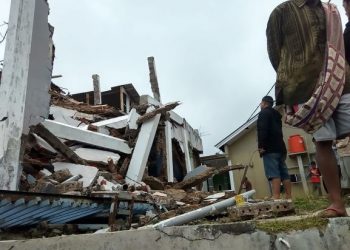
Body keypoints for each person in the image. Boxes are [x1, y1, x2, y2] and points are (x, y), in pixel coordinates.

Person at [267, 0, 350, 217]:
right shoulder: (281, 12)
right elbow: (275, 54)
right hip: (305, 87)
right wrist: (295, 72)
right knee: (323, 141)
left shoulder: (329, 10)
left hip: (342, 80)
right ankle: (337, 204)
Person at [257, 96, 292, 200]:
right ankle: (288, 196)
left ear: (264, 103)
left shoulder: (263, 113)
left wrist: (261, 146)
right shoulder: (277, 115)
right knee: (284, 173)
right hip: (281, 147)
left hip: (270, 148)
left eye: (261, 103)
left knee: (273, 173)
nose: (260, 105)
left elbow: (263, 130)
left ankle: (276, 197)